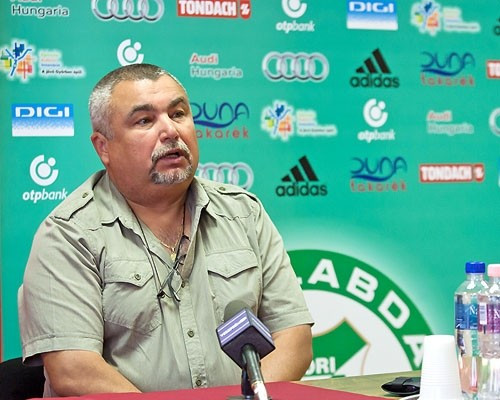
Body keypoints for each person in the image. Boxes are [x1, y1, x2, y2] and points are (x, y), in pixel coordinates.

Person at [18, 63, 314, 397]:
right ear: (104, 147)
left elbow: (294, 339)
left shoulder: (244, 213)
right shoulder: (68, 234)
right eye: (145, 120)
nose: (170, 131)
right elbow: (74, 371)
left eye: (178, 114)